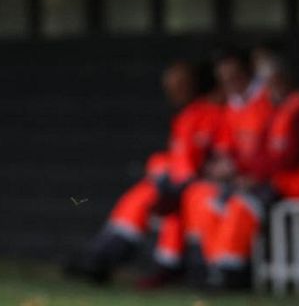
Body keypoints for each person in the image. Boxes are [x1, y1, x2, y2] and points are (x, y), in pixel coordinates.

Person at [65, 60, 222, 285]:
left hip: (195, 185)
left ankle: (168, 268)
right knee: (138, 199)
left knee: (172, 202)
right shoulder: (186, 116)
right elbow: (177, 159)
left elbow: (210, 158)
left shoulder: (210, 113)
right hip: (176, 184)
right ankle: (100, 256)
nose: (172, 92)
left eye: (178, 86)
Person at [203, 46, 299, 287]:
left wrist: (256, 176)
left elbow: (289, 157)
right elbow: (262, 154)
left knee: (244, 203)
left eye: (271, 80)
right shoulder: (277, 109)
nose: (268, 87)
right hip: (275, 181)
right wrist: (247, 173)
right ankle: (217, 267)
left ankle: (232, 272)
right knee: (218, 200)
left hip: (298, 183)